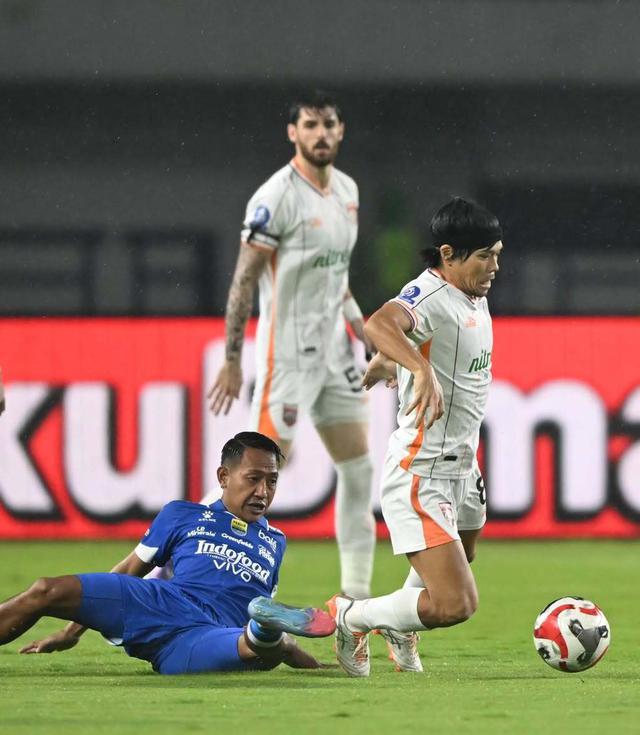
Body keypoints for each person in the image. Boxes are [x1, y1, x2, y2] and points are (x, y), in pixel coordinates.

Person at [206, 91, 376, 602]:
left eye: (329, 124)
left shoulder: (347, 190)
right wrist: (233, 357)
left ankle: (354, 599)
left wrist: (361, 331)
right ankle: (161, 571)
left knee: (359, 467)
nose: (320, 133)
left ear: (341, 130)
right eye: (310, 125)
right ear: (293, 133)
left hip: (334, 354)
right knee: (251, 475)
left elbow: (337, 275)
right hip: (287, 357)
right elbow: (243, 281)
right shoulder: (275, 197)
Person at [327, 198, 503, 676]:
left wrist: (397, 359)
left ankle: (402, 623)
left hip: (463, 467)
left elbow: (422, 337)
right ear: (448, 254)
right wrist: (416, 367)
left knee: (462, 554)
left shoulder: (470, 294)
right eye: (483, 256)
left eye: (497, 254)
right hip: (421, 470)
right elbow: (379, 323)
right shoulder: (429, 292)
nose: (494, 267)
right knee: (454, 603)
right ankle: (353, 615)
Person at [1, 432, 336, 674]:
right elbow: (132, 567)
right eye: (253, 479)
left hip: (201, 634)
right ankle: (270, 631)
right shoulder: (182, 514)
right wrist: (70, 632)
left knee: (253, 648)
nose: (263, 492)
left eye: (272, 481)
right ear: (224, 476)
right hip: (156, 602)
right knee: (46, 590)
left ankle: (269, 628)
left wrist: (314, 665)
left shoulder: (274, 542)